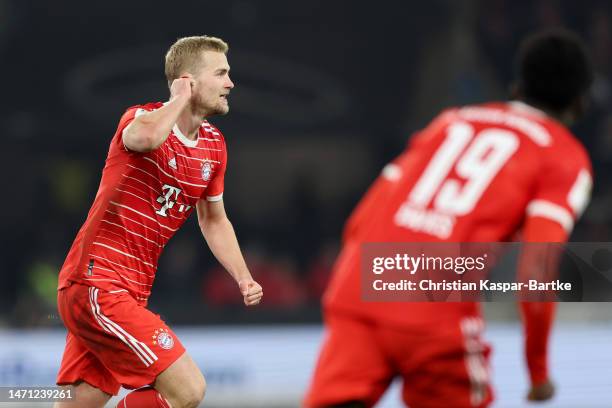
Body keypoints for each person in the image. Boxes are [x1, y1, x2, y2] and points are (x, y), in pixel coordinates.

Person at [304, 29, 593, 408]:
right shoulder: (564, 157)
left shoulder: (449, 122)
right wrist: (537, 372)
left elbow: (360, 220)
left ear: (516, 87)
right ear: (579, 104)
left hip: (358, 291)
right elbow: (536, 272)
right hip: (436, 312)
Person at [54, 35, 263, 408]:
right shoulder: (140, 118)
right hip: (98, 282)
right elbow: (147, 138)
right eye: (221, 73)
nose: (230, 83)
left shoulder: (214, 145)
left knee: (83, 401)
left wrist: (243, 276)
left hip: (128, 291)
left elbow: (214, 220)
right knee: (187, 390)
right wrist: (178, 99)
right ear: (189, 80)